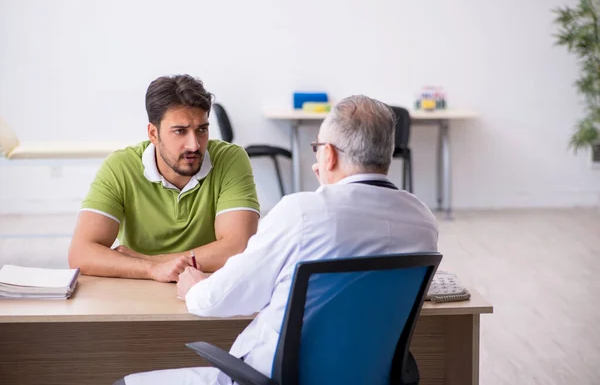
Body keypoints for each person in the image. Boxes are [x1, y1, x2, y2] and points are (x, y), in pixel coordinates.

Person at [119, 94, 438, 385]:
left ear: (327, 155)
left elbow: (216, 301)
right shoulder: (422, 220)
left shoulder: (302, 212)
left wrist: (194, 287)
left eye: (317, 148)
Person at [68, 75, 260, 283]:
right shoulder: (120, 166)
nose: (194, 145)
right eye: (180, 131)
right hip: (138, 290)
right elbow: (81, 254)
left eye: (202, 130)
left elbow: (238, 247)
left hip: (207, 289)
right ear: (153, 133)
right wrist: (151, 270)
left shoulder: (230, 159)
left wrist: (151, 262)